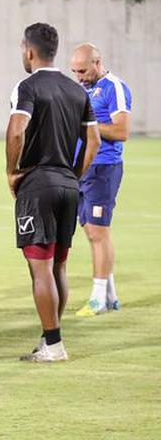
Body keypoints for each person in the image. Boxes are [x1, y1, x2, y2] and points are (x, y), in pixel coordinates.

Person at [6, 23, 100, 363]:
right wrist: (74, 175)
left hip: (38, 185)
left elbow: (17, 130)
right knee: (59, 266)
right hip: (67, 185)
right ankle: (50, 340)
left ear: (29, 51)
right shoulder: (78, 92)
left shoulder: (27, 86)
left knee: (41, 268)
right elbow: (94, 141)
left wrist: (11, 171)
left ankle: (54, 344)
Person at [69, 43, 131, 316]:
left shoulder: (114, 87)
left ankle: (97, 298)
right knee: (91, 231)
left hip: (104, 167)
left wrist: (87, 126)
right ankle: (110, 294)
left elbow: (121, 130)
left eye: (82, 70)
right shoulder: (81, 90)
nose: (79, 76)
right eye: (74, 71)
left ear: (97, 62)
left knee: (98, 231)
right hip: (81, 168)